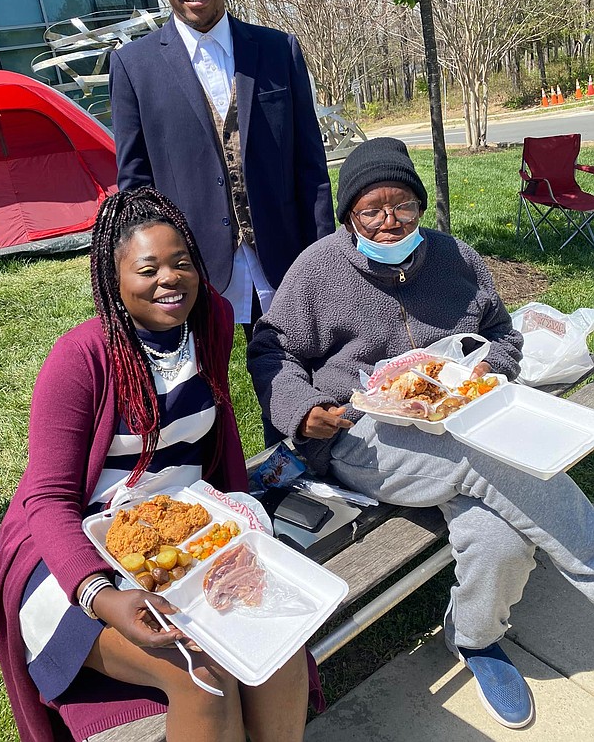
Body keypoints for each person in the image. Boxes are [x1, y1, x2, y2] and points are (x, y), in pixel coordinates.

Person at [248, 137, 594, 730]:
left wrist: (487, 370)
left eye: (402, 206)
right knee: (480, 459)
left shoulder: (456, 259)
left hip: (460, 426)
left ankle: (476, 638)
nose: (389, 223)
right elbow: (270, 349)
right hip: (358, 439)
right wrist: (302, 410)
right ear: (349, 217)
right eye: (371, 211)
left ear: (420, 205)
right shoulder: (320, 268)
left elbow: (503, 337)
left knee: (501, 541)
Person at [0, 187, 310, 742]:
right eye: (148, 268)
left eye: (181, 261)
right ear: (114, 281)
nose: (170, 279)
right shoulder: (80, 358)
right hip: (75, 552)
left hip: (187, 537)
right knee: (202, 672)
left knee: (277, 642)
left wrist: (248, 523)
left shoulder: (208, 322)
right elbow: (47, 500)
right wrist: (103, 598)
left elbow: (222, 438)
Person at [109, 0, 335, 333]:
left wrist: (324, 253)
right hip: (190, 265)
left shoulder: (277, 51)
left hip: (282, 251)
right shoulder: (133, 67)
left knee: (295, 371)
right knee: (198, 389)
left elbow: (311, 166)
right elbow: (135, 186)